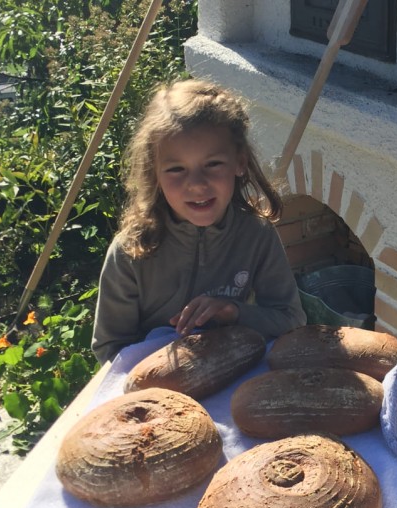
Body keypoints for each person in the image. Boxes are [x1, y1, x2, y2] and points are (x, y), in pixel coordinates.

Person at [91, 78, 306, 365]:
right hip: (156, 382)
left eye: (213, 164)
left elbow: (291, 319)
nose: (196, 184)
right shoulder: (131, 251)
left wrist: (234, 312)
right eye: (176, 169)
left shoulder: (256, 235)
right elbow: (110, 349)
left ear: (240, 162)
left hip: (232, 372)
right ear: (154, 173)